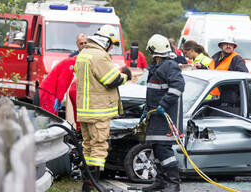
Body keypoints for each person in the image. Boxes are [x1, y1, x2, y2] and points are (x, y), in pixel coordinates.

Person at [75, 24, 131, 192]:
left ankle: (87, 184)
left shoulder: (84, 54)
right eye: (112, 44)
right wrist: (125, 75)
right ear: (106, 41)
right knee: (99, 148)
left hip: (85, 111)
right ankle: (93, 184)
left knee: (88, 147)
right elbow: (111, 80)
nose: (112, 48)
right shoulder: (99, 56)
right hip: (98, 111)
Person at [140, 34, 185, 192]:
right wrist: (146, 111)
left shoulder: (169, 65)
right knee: (157, 148)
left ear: (153, 50)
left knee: (164, 150)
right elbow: (153, 93)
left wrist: (163, 105)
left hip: (166, 118)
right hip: (155, 116)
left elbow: (178, 86)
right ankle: (161, 181)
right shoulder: (157, 67)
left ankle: (173, 183)